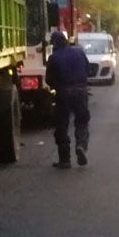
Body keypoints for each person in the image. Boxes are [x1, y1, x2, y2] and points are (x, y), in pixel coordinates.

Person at [45, 31, 92, 169]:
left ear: (54, 43)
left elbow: (49, 80)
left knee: (62, 125)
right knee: (82, 122)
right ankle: (81, 145)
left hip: (63, 93)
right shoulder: (79, 53)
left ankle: (65, 160)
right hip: (81, 91)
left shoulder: (53, 58)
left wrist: (56, 87)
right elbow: (88, 70)